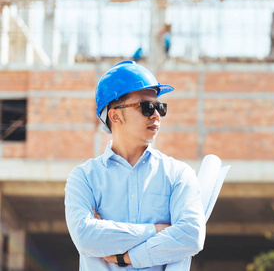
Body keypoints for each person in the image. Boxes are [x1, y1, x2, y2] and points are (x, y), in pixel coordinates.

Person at [64, 61, 206, 270]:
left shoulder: (178, 174)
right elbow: (86, 238)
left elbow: (191, 236)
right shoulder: (84, 178)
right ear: (115, 115)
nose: (156, 114)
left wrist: (126, 256)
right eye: (147, 107)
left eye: (160, 107)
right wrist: (157, 231)